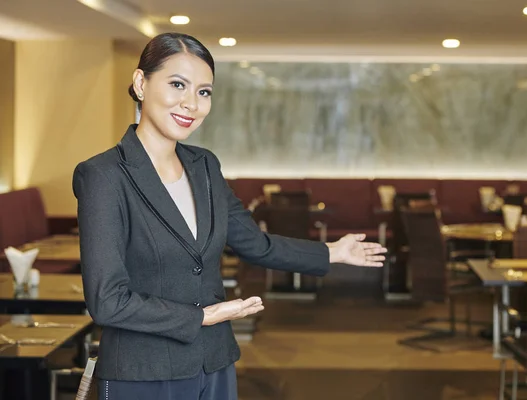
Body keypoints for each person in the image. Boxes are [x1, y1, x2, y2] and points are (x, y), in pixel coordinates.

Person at [72, 32, 387, 400]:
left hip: (216, 361)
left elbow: (255, 243)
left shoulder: (204, 166)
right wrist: (202, 316)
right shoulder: (104, 175)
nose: (191, 104)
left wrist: (332, 252)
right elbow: (107, 301)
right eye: (178, 85)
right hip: (145, 371)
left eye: (204, 92)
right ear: (141, 83)